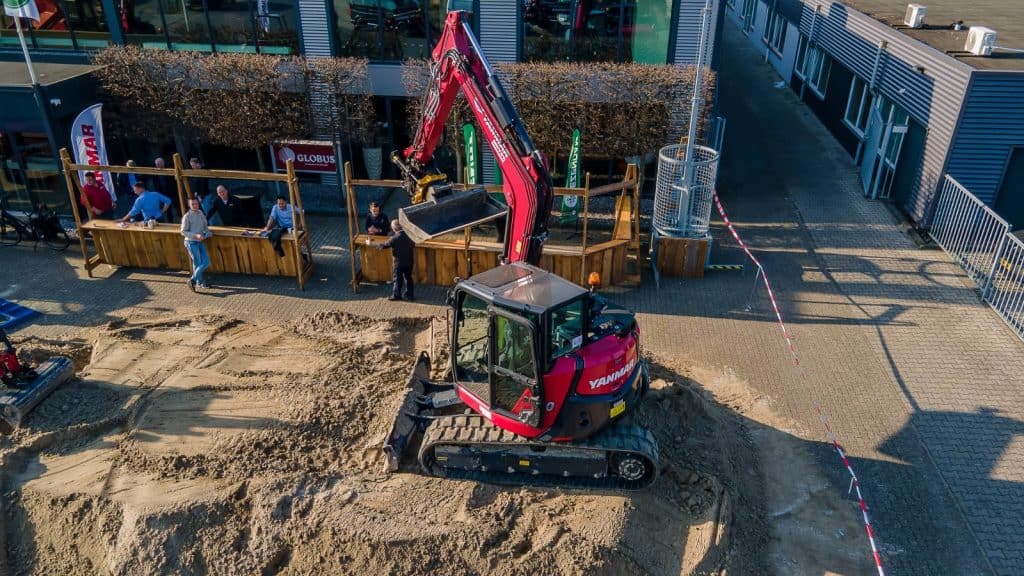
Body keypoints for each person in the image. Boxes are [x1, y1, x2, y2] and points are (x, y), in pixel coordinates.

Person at [366, 219, 415, 301]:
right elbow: (413, 244)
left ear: (394, 229)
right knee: (408, 278)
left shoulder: (394, 238)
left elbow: (383, 246)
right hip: (409, 261)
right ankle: (410, 296)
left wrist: (371, 243)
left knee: (397, 279)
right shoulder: (410, 235)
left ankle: (396, 295)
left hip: (398, 263)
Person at [180, 196, 212, 291]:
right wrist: (196, 235)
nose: (195, 205)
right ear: (189, 205)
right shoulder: (187, 216)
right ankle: (199, 282)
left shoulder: (201, 213)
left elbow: (205, 226)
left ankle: (193, 280)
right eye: (192, 204)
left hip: (200, 241)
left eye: (196, 203)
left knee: (206, 262)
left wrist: (208, 232)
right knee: (197, 263)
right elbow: (183, 232)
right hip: (191, 242)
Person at [150, 157, 176, 222]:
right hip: (161, 193)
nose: (158, 165)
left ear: (163, 163)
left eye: (159, 163)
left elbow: (173, 181)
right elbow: (155, 184)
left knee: (176, 205)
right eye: (157, 164)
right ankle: (170, 221)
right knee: (166, 209)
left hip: (171, 191)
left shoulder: (169, 169)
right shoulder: (155, 173)